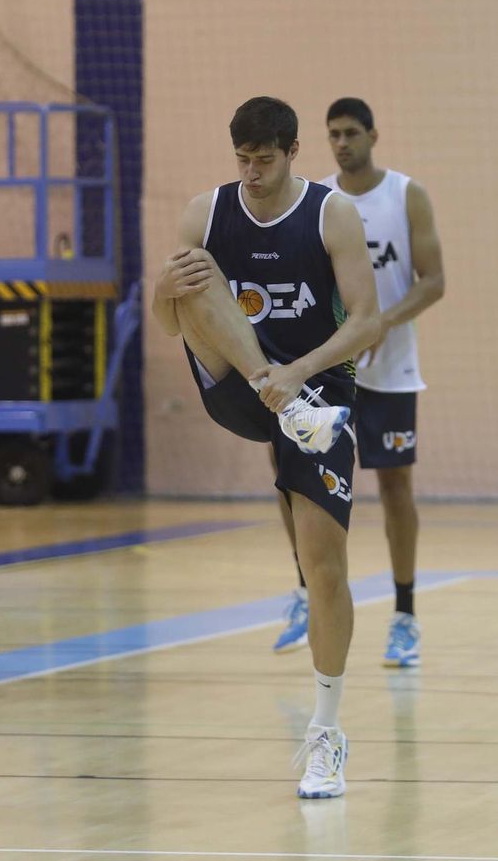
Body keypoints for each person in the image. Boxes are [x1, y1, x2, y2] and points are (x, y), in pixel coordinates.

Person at [153, 96, 380, 798]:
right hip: (247, 385)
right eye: (241, 160)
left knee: (326, 571)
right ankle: (278, 393)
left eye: (264, 160)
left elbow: (368, 323)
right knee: (189, 275)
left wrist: (300, 373)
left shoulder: (331, 213)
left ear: (291, 152)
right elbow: (170, 322)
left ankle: (326, 734)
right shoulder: (208, 211)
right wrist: (163, 290)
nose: (251, 173)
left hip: (316, 390)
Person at [271, 98, 445, 670]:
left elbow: (434, 281)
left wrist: (380, 323)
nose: (341, 143)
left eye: (351, 133)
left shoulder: (405, 195)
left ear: (373, 134)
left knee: (395, 489)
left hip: (390, 371)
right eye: (333, 135)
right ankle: (304, 594)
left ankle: (405, 615)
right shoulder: (318, 201)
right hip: (327, 372)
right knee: (295, 485)